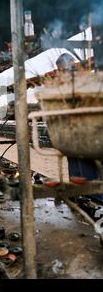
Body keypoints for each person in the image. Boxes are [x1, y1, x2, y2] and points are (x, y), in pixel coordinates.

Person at [55, 53, 103, 202]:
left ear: (70, 65)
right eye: (59, 70)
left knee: (86, 170)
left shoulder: (82, 79)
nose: (61, 72)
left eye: (62, 69)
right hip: (72, 133)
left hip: (86, 133)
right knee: (75, 169)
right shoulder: (68, 81)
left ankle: (95, 202)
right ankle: (81, 198)